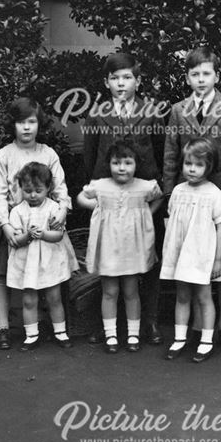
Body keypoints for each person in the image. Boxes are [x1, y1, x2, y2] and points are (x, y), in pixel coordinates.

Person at [163, 47, 221, 352]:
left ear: (217, 76)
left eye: (207, 74)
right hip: (187, 202)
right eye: (195, 74)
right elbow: (171, 155)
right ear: (187, 77)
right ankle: (199, 326)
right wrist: (168, 196)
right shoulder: (177, 111)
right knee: (190, 260)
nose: (201, 80)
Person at [82, 52, 165, 346]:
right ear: (106, 82)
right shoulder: (97, 114)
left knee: (148, 261)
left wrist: (156, 196)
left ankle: (150, 321)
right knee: (108, 262)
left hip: (143, 202)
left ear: (138, 81)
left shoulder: (152, 112)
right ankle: (107, 325)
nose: (121, 83)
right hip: (110, 202)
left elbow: (159, 150)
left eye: (127, 77)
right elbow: (90, 156)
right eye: (115, 78)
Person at [0, 97, 70, 350]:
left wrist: (63, 209)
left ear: (38, 124)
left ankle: (45, 324)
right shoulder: (4, 155)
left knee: (48, 274)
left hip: (44, 220)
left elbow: (60, 187)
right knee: (4, 274)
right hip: (11, 221)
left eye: (31, 122)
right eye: (21, 122)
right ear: (13, 125)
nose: (27, 128)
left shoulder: (48, 153)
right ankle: (3, 326)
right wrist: (5, 225)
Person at [77, 141, 163, 354]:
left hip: (131, 249)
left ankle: (133, 334)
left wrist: (146, 214)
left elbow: (159, 197)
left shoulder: (144, 186)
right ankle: (111, 334)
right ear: (109, 164)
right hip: (109, 248)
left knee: (131, 291)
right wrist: (94, 206)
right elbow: (80, 197)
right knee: (110, 291)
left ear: (136, 164)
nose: (122, 168)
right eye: (116, 163)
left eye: (127, 162)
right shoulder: (101, 185)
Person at [160, 138, 221, 364]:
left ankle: (206, 340)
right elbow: (173, 223)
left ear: (209, 166)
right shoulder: (178, 191)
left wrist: (217, 260)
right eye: (188, 163)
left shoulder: (215, 195)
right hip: (182, 254)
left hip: (203, 255)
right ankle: (180, 338)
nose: (191, 169)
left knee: (204, 296)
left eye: (198, 165)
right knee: (182, 295)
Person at [7, 162, 78, 351]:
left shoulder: (54, 208)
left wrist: (44, 234)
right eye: (28, 190)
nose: (33, 195)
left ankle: (60, 332)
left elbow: (58, 235)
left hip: (49, 259)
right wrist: (27, 235)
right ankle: (31, 335)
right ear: (21, 188)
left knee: (54, 297)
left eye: (38, 190)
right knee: (29, 299)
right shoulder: (17, 211)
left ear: (48, 188)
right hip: (27, 262)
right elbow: (15, 240)